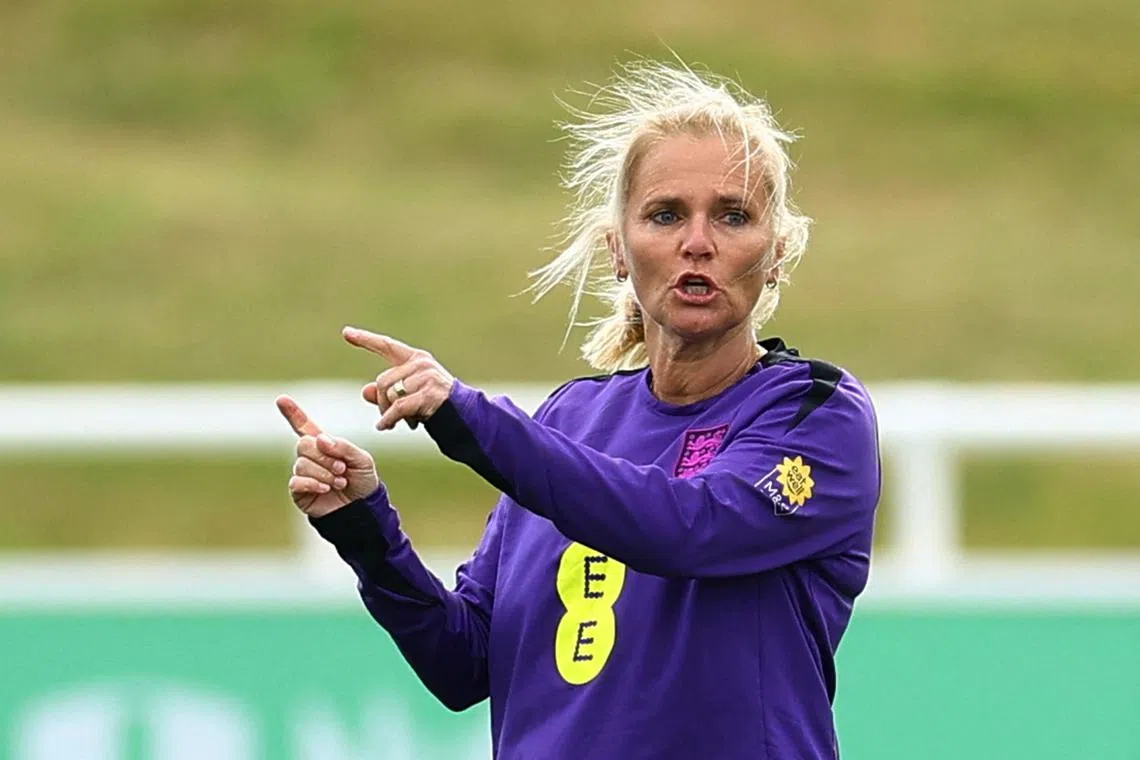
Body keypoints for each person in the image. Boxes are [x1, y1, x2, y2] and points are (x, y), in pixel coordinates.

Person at [276, 60, 881, 760]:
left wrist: (469, 419)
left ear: (776, 254)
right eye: (665, 214)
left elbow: (689, 528)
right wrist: (363, 526)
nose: (698, 242)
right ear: (618, 250)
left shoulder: (814, 414)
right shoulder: (569, 421)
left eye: (734, 215)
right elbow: (464, 660)